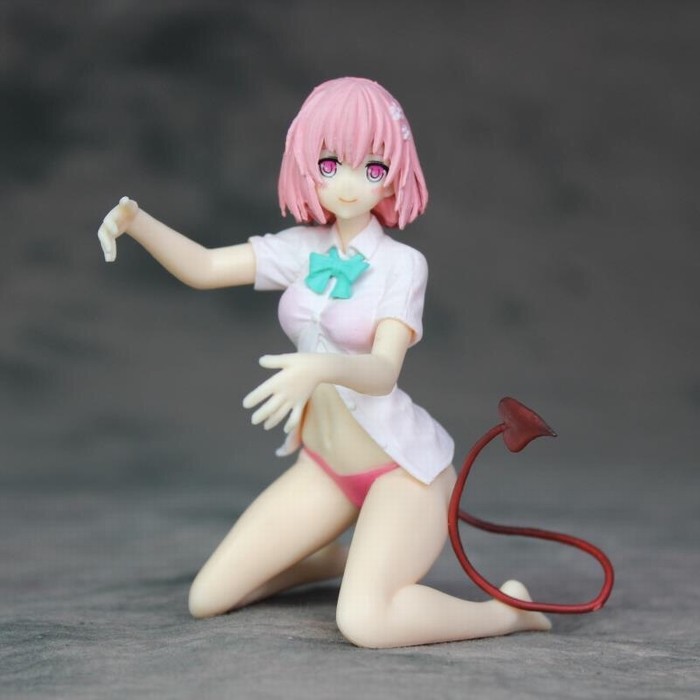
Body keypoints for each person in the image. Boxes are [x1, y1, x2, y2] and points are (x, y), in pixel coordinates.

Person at [97, 77, 550, 648]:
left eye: (373, 167)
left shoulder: (402, 265)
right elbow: (206, 268)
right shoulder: (302, 249)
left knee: (365, 623)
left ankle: (506, 614)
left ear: (395, 174)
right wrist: (138, 223)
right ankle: (332, 562)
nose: (349, 184)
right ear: (307, 163)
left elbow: (384, 372)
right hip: (326, 469)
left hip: (401, 473)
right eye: (331, 164)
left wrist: (320, 369)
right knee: (207, 598)